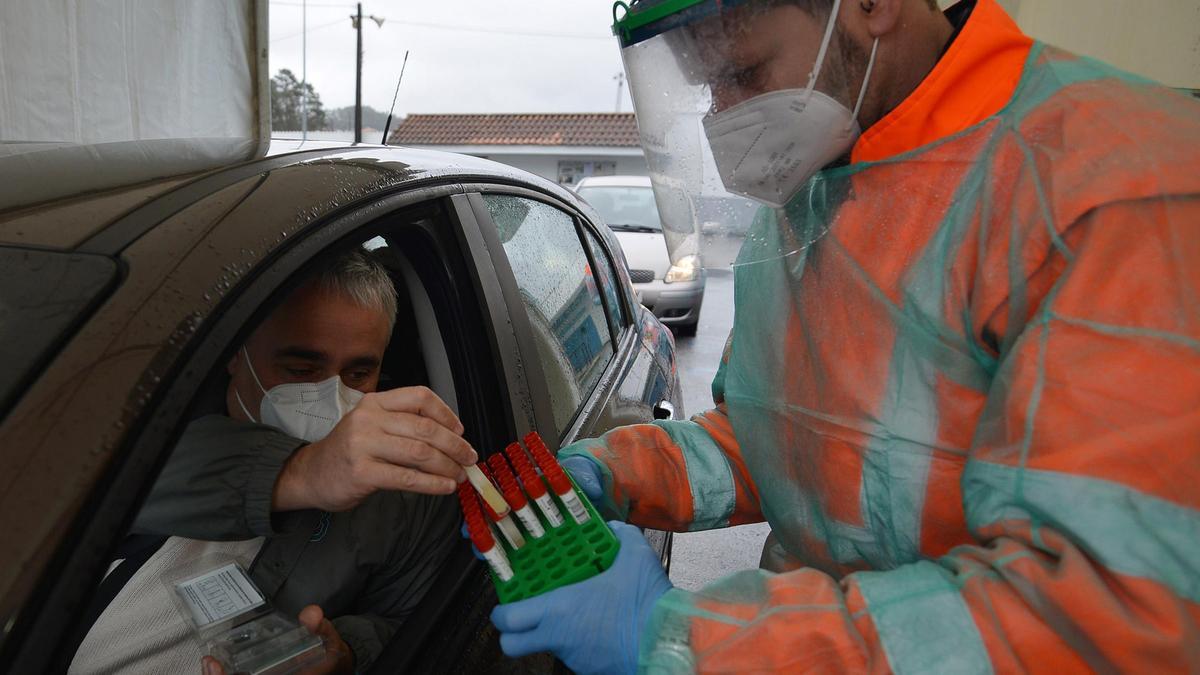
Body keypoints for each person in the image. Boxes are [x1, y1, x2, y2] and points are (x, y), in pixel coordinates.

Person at [489, 0, 1200, 672]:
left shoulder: (1115, 186)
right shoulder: (816, 191)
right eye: (710, 87)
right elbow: (780, 436)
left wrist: (691, 642)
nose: (724, 115)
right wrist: (613, 473)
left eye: (742, 72)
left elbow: (1101, 614)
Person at [69, 249, 476, 674]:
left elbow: (410, 623)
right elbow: (76, 493)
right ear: (234, 352)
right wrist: (300, 473)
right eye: (301, 368)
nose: (332, 397)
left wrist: (348, 653)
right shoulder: (141, 424)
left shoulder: (409, 491)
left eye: (358, 374)